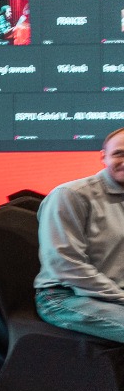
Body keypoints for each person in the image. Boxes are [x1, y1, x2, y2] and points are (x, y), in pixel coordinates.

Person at [35, 127, 124, 343]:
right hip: (67, 296)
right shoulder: (71, 196)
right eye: (119, 153)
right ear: (103, 157)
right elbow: (64, 265)